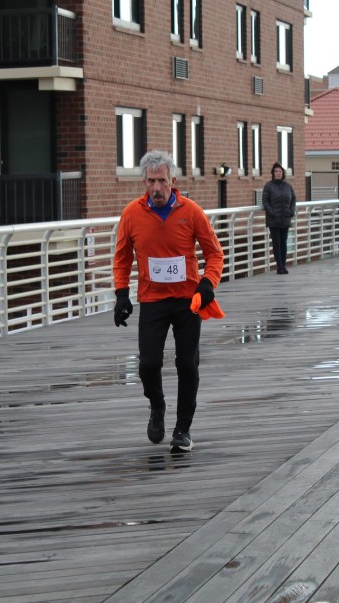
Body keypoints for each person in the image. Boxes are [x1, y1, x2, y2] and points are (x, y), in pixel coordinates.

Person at [112, 150, 224, 453]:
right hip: (152, 300)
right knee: (148, 364)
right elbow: (122, 258)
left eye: (162, 180)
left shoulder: (191, 211)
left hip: (188, 300)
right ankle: (157, 404)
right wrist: (121, 293)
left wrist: (208, 283)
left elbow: (215, 253)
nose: (156, 187)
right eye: (151, 181)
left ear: (172, 181)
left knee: (187, 363)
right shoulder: (132, 214)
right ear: (144, 183)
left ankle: (182, 430)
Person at [261, 163, 297, 274]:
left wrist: (291, 211)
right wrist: (271, 212)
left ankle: (284, 265)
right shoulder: (269, 186)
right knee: (276, 244)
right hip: (273, 220)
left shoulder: (288, 186)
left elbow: (293, 199)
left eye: (280, 171)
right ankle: (279, 266)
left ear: (283, 173)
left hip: (285, 218)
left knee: (284, 243)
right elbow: (265, 201)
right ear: (273, 173)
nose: (278, 173)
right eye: (276, 171)